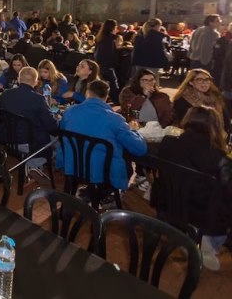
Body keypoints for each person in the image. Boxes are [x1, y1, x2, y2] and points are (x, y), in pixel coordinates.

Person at [157, 106, 232, 271]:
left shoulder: (167, 143)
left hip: (171, 201)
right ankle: (211, 239)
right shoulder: (218, 158)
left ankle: (188, 237)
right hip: (206, 213)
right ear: (215, 125)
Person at [58, 80, 146, 191]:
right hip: (102, 172)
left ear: (87, 94)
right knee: (125, 162)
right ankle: (105, 196)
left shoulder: (69, 112)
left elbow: (62, 136)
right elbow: (139, 149)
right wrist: (135, 131)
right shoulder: (115, 119)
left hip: (72, 166)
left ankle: (90, 194)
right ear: (106, 97)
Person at [1, 67, 58, 174]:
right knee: (61, 142)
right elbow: (53, 126)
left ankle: (33, 164)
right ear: (36, 82)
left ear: (19, 79)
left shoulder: (5, 94)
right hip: (29, 143)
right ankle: (33, 164)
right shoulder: (39, 99)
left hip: (8, 138)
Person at [94, 19, 120, 104]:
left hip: (100, 63)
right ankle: (117, 101)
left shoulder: (100, 37)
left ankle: (100, 98)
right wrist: (112, 63)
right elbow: (109, 53)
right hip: (107, 65)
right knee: (113, 83)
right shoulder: (110, 39)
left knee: (102, 82)